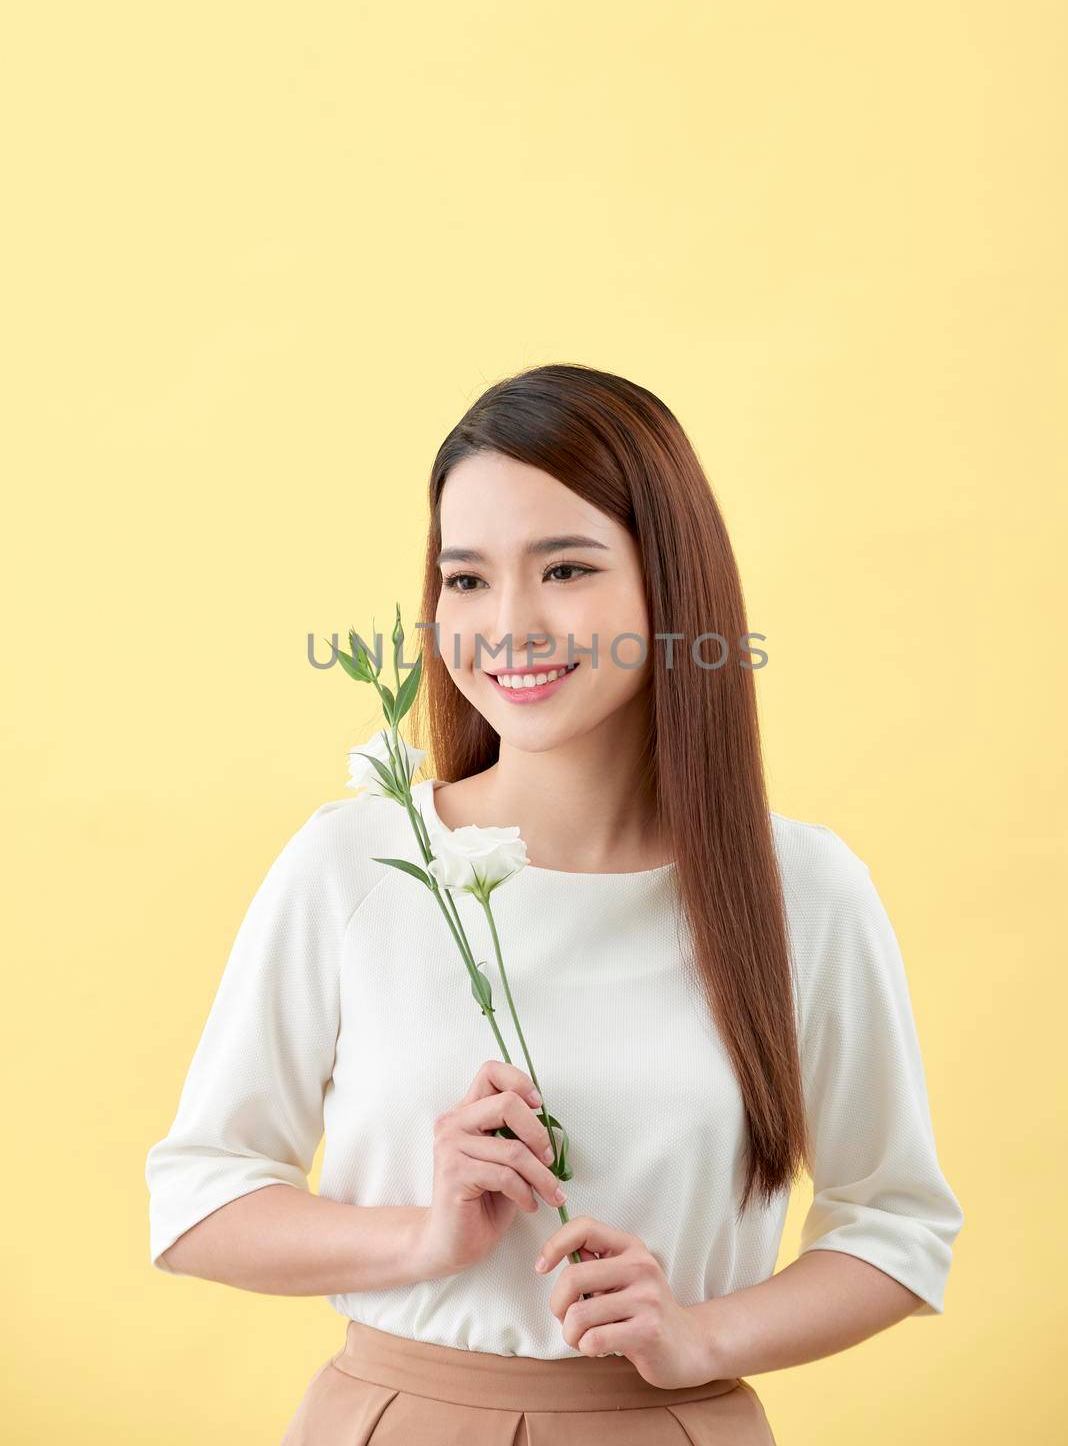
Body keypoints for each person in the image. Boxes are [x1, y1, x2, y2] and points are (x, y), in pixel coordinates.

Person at [145, 363, 964, 1444]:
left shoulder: (803, 891)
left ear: (671, 586)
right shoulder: (357, 862)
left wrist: (704, 1336)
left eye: (566, 567)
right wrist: (421, 1238)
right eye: (467, 579)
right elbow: (198, 1198)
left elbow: (897, 1226)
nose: (508, 625)